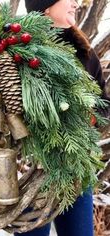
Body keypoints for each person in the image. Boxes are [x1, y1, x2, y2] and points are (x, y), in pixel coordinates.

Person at [14, 0, 108, 236]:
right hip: (30, 169)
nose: (77, 3)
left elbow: (104, 104)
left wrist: (90, 118)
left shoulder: (83, 50)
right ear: (45, 6)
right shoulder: (19, 49)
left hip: (76, 170)